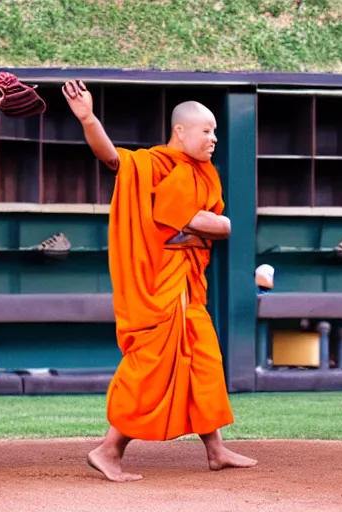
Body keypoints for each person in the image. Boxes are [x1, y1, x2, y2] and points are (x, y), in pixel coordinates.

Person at [62, 80, 257, 482]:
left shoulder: (205, 174)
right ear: (180, 131)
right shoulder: (153, 164)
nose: (214, 138)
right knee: (151, 366)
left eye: (216, 131)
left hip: (187, 286)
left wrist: (210, 226)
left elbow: (210, 224)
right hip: (157, 287)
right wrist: (88, 117)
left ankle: (215, 450)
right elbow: (114, 159)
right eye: (207, 131)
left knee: (203, 360)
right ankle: (108, 450)